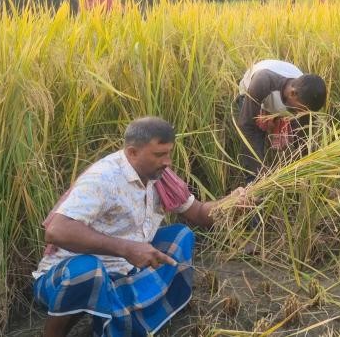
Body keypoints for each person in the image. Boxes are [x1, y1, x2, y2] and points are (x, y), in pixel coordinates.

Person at [32, 117, 251, 337]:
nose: (167, 162)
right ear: (132, 152)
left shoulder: (159, 177)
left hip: (123, 268)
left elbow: (200, 214)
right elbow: (56, 230)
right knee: (88, 272)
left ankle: (132, 319)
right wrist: (127, 248)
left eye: (169, 153)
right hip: (67, 277)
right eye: (159, 155)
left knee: (180, 236)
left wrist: (230, 205)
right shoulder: (103, 179)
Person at [232, 60, 327, 185]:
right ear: (293, 93)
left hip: (280, 100)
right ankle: (253, 185)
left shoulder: (305, 99)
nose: (301, 114)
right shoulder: (262, 81)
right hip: (251, 95)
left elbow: (303, 140)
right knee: (256, 135)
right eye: (301, 111)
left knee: (295, 131)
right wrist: (258, 172)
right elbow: (246, 126)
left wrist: (304, 172)